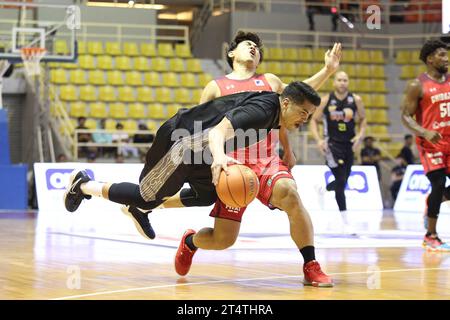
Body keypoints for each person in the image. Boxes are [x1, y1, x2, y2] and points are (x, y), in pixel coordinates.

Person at [64, 82, 334, 287]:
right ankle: (85, 185)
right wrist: (219, 158)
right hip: (182, 145)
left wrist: (328, 71)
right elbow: (218, 131)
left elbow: (301, 90)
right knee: (145, 196)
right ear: (286, 104)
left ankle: (144, 211)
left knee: (207, 195)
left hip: (200, 151)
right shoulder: (262, 111)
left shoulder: (276, 108)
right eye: (303, 113)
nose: (305, 119)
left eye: (309, 115)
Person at [157, 32, 340, 286]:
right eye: (247, 44)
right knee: (223, 240)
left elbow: (296, 101)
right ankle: (190, 241)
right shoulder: (216, 87)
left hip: (265, 161)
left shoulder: (269, 81)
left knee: (290, 194)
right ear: (232, 54)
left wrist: (327, 71)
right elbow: (201, 129)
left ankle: (311, 265)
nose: (254, 48)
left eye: (257, 47)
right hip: (232, 166)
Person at [401, 39, 450, 251]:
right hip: (430, 144)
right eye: (441, 54)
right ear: (430, 59)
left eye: (446, 54)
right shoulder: (417, 85)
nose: (446, 58)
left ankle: (433, 202)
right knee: (438, 183)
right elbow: (405, 116)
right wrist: (425, 132)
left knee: (438, 193)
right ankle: (431, 235)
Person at [310, 71, 366, 229]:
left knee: (344, 180)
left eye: (345, 80)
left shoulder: (356, 100)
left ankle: (323, 188)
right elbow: (313, 120)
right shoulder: (326, 100)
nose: (342, 82)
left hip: (349, 145)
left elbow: (363, 119)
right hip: (332, 145)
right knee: (341, 181)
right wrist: (319, 140)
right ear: (334, 82)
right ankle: (345, 220)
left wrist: (360, 136)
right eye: (339, 80)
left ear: (348, 82)